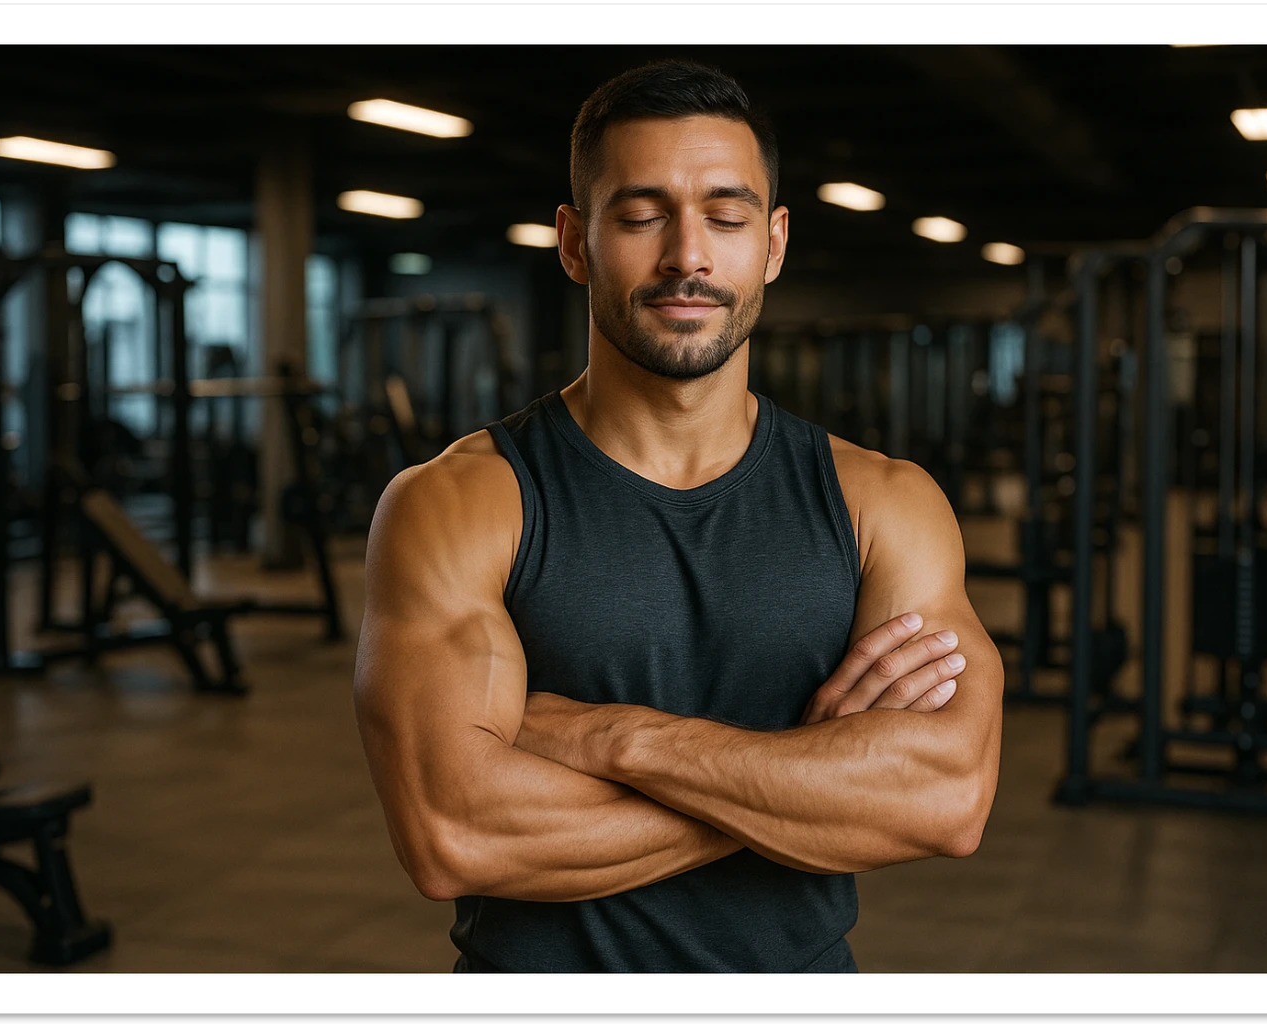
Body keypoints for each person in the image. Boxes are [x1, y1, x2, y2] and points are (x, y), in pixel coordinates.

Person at [353, 59, 1002, 973]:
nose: (688, 256)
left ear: (773, 244)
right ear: (575, 242)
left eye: (727, 218)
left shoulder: (882, 503)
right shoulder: (460, 504)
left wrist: (612, 737)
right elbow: (454, 833)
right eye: (642, 214)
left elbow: (947, 800)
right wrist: (810, 777)